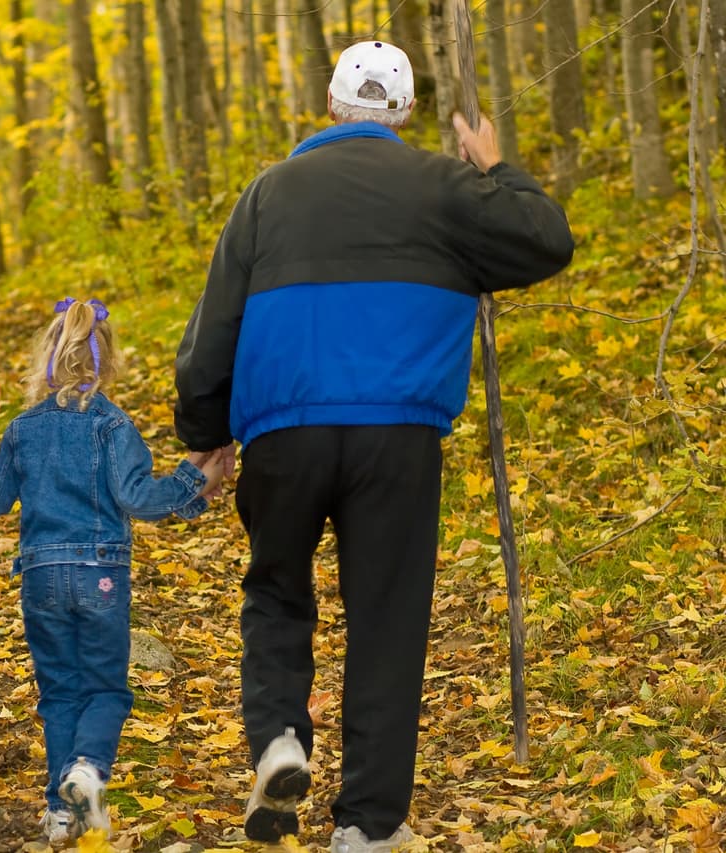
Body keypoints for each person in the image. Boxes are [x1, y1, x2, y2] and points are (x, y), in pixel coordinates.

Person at [173, 40, 573, 853]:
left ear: (330, 106)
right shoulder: (445, 186)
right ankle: (366, 826)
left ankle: (281, 738)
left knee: (279, 591)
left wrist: (206, 435)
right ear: (403, 111)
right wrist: (496, 171)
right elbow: (545, 240)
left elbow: (212, 330)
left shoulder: (267, 194)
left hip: (284, 431)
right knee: (388, 618)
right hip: (397, 433)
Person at [0, 297, 222, 845]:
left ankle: (59, 813)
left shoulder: (23, 429)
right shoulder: (113, 426)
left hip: (40, 575)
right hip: (100, 572)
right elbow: (140, 500)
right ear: (109, 361)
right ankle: (86, 768)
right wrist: (188, 479)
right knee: (106, 688)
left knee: (58, 692)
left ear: (48, 360)